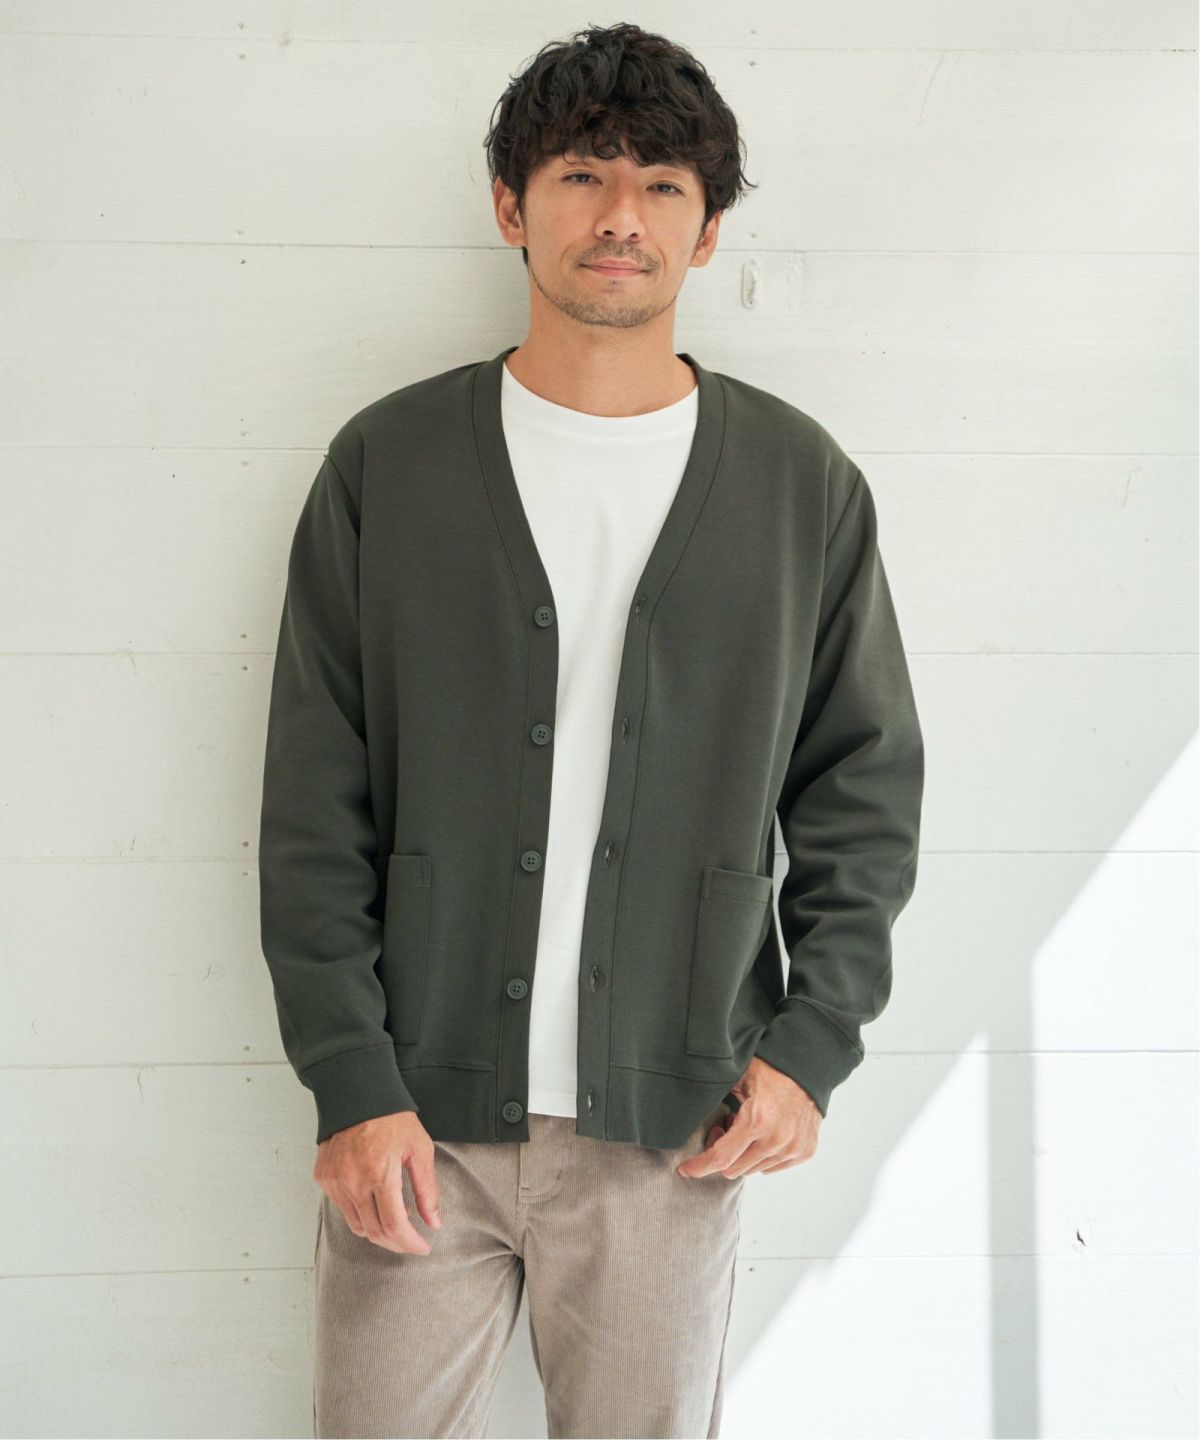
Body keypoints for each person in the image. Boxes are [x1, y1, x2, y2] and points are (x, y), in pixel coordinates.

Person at [258, 21, 925, 1439]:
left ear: (706, 228)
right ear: (511, 206)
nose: (621, 215)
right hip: (416, 1118)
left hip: (676, 1130)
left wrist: (812, 1045)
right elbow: (314, 800)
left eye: (662, 185)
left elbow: (862, 790)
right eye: (580, 175)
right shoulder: (390, 466)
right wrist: (351, 1083)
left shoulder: (800, 487)